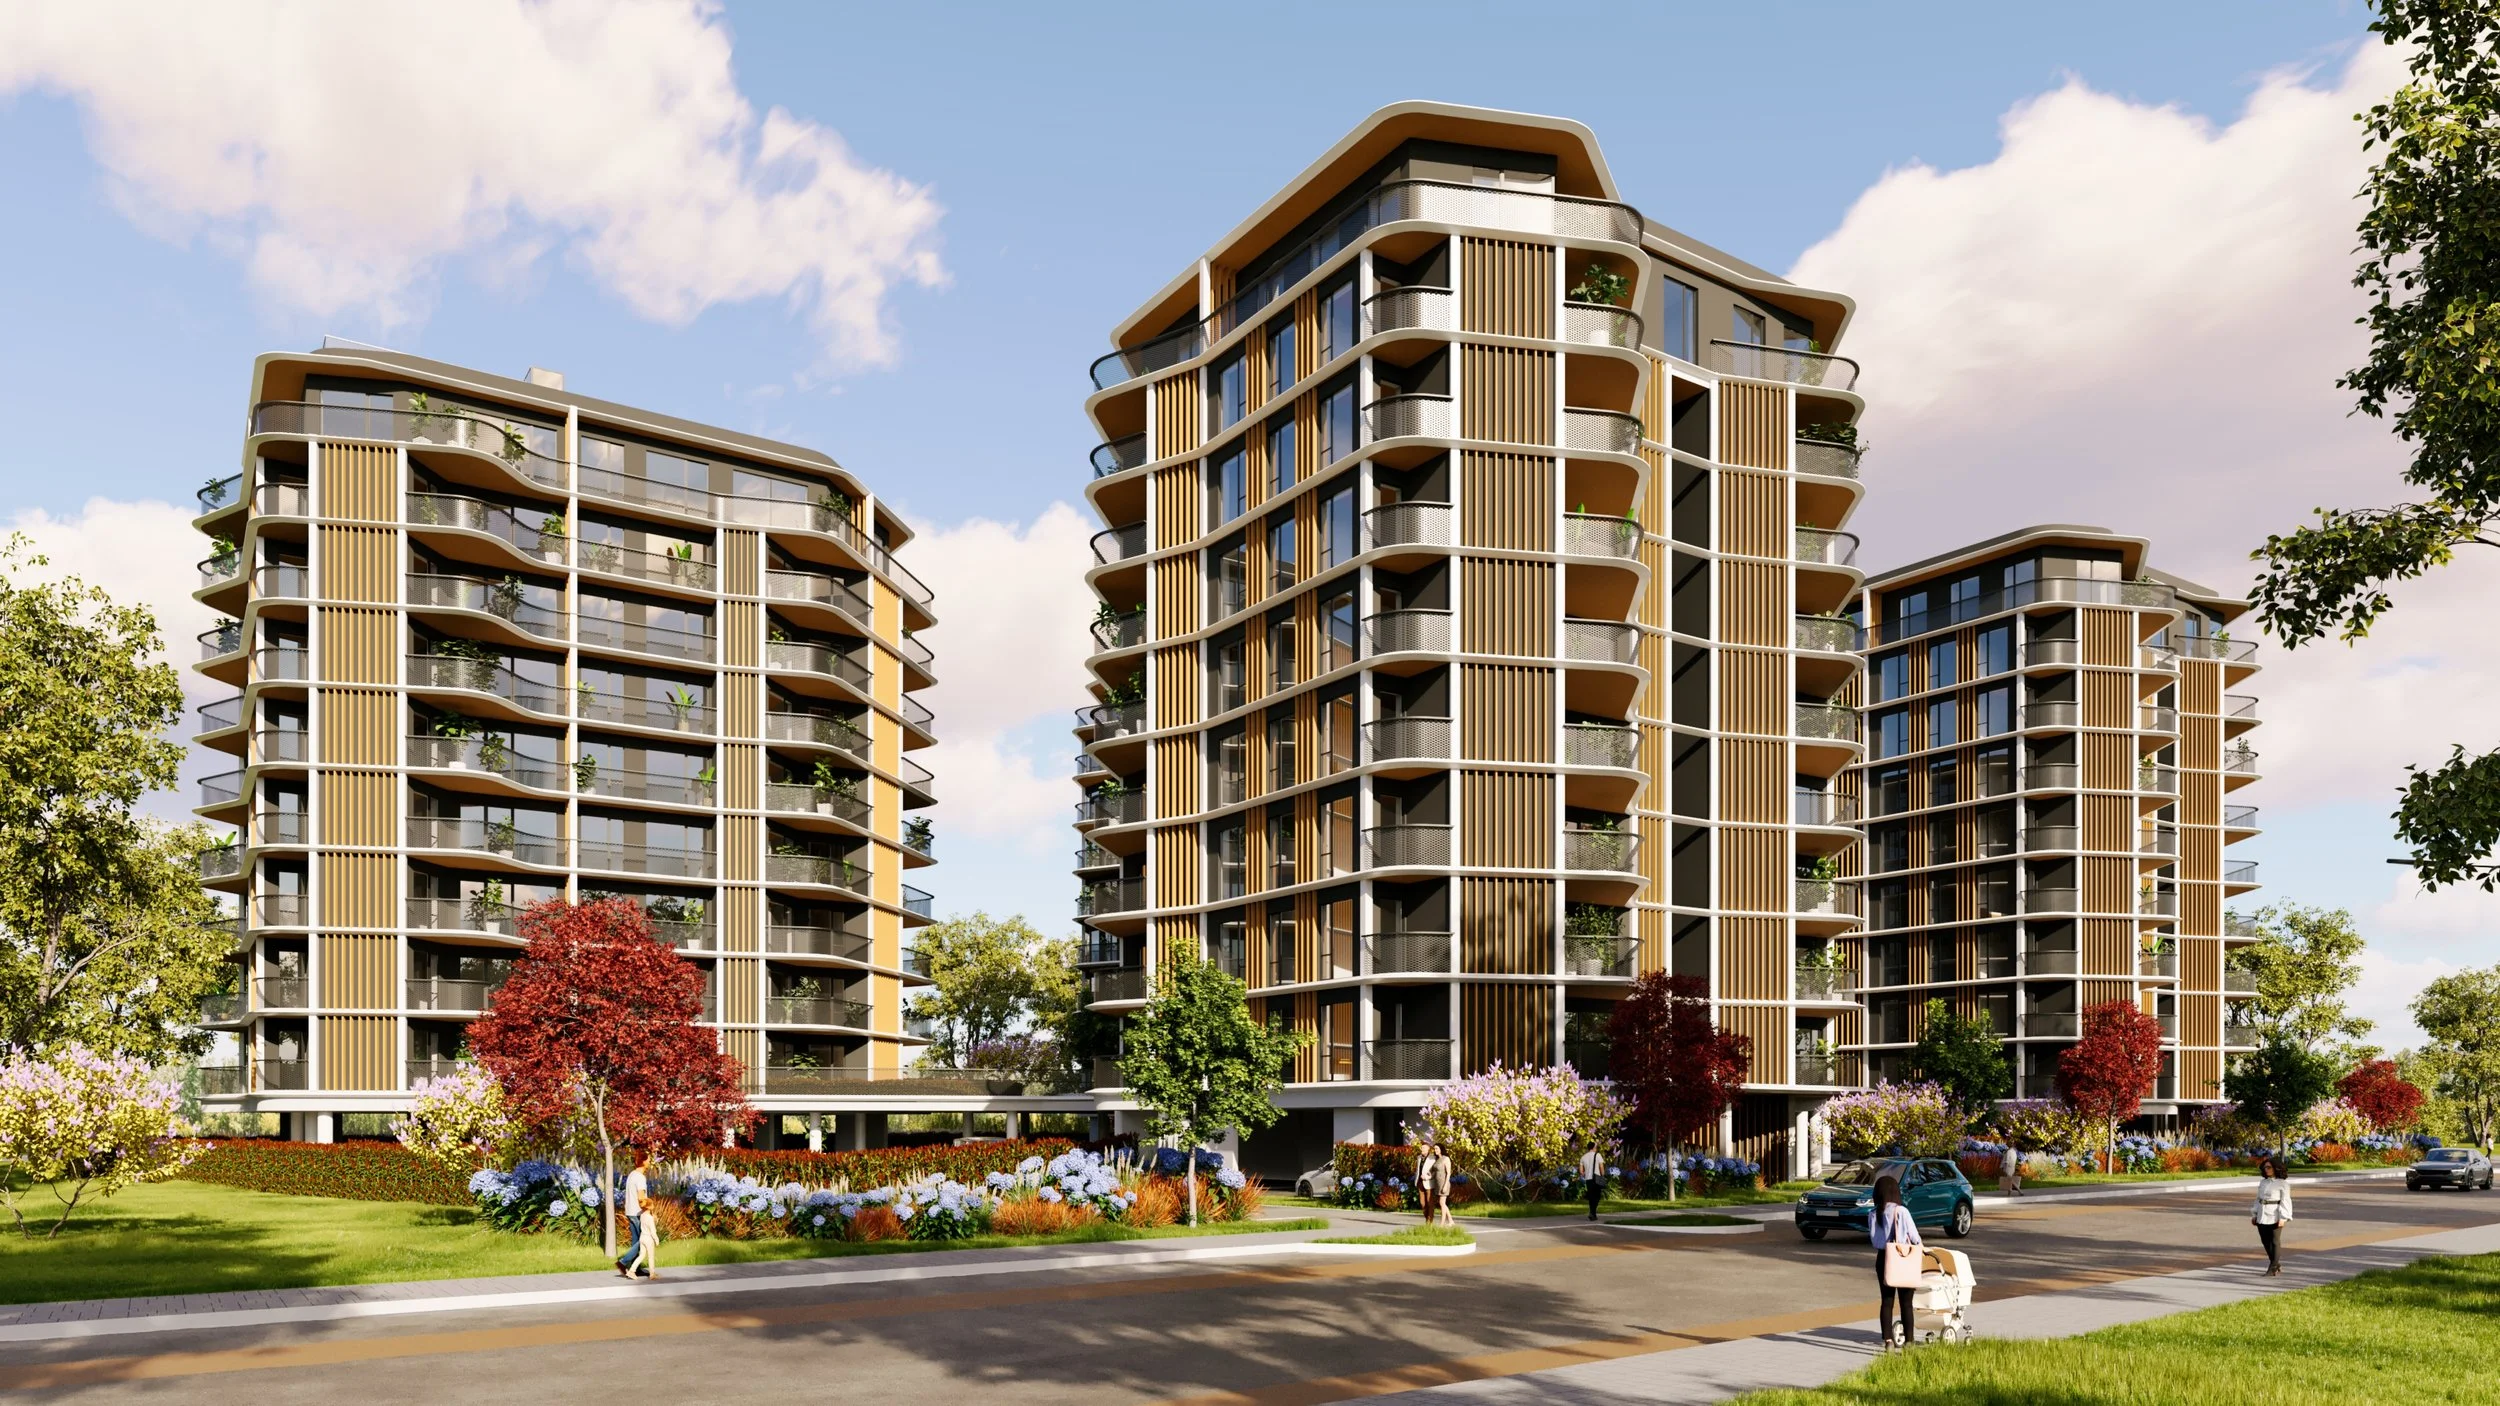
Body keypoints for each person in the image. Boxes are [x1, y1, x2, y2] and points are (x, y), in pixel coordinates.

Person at [1869, 1172, 1923, 1350]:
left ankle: (1888, 1341)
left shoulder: (1873, 1213)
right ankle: (1909, 1342)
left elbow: (1874, 1240)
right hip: (1902, 1258)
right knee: (1906, 1303)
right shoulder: (1902, 1211)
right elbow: (1915, 1237)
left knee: (1886, 1301)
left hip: (1883, 1258)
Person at [616, 1146, 658, 1281]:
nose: (650, 1162)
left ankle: (635, 1268)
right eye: (649, 1160)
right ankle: (623, 1262)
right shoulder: (640, 1177)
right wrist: (649, 1210)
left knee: (635, 1240)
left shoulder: (632, 1175)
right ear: (643, 1161)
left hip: (630, 1211)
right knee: (643, 1241)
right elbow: (641, 1199)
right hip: (638, 1212)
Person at [2251, 1155, 2294, 1276]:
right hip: (2261, 1214)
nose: (2266, 1169)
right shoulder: (2263, 1182)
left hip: (2275, 1214)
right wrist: (2254, 1213)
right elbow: (2258, 1199)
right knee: (2265, 1241)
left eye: (2269, 1167)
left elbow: (2285, 1200)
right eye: (2265, 1168)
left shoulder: (2283, 1184)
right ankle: (2276, 1263)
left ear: (2276, 1168)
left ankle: (2272, 1267)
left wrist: (2283, 1217)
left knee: (2275, 1241)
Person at [1577, 1143, 1609, 1221]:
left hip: (1588, 1179)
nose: (1597, 1148)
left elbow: (1581, 1171)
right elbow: (1601, 1166)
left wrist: (1585, 1173)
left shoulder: (1583, 1157)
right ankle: (1593, 1213)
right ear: (1594, 1147)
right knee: (1597, 1196)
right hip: (1597, 1178)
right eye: (1596, 1147)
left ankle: (1592, 1213)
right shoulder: (1597, 1155)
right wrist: (1603, 1175)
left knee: (1591, 1197)